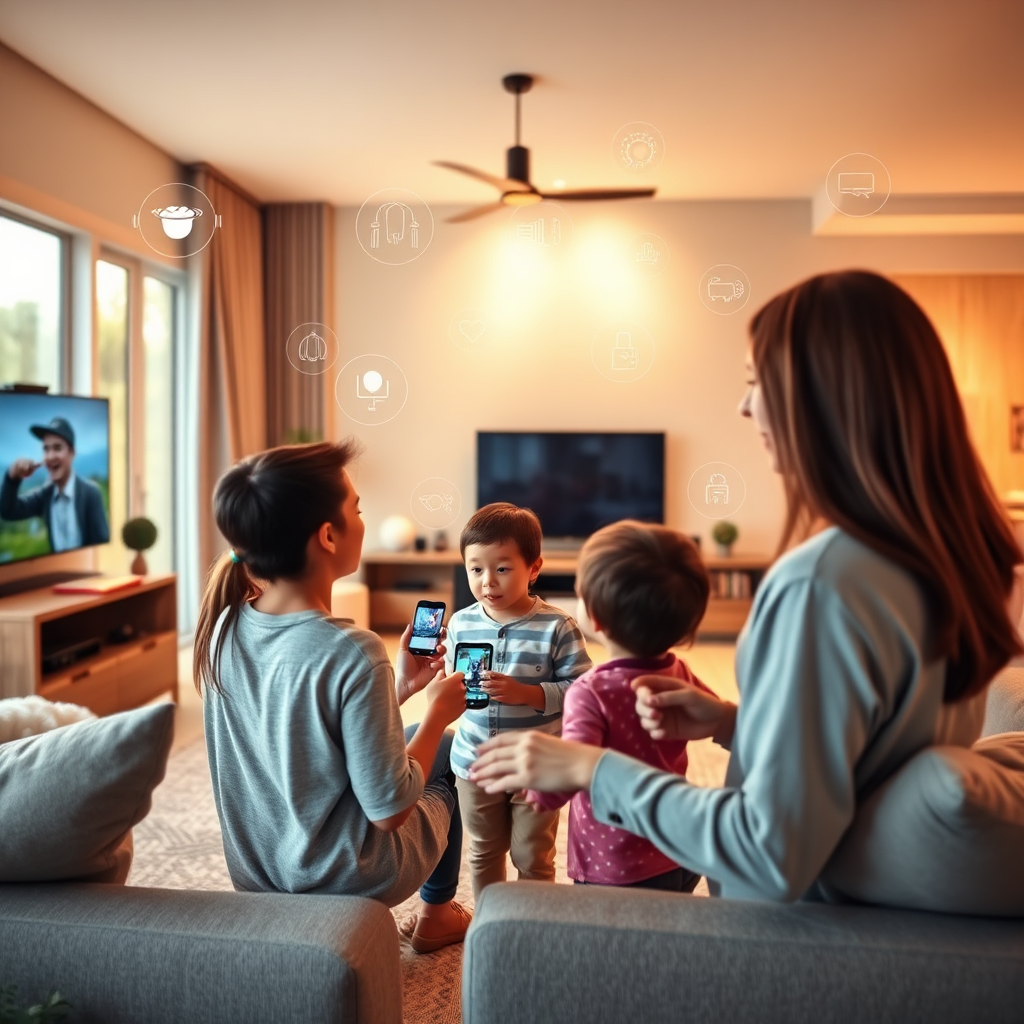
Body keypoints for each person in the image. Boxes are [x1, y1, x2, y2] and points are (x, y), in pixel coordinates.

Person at [471, 270, 1024, 904]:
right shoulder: (934, 560)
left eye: (757, 382)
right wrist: (741, 722)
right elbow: (869, 748)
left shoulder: (822, 584)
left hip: (781, 927)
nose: (744, 406)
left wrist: (590, 766)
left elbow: (770, 849)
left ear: (819, 399)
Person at [194, 441, 471, 953]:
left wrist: (401, 691)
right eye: (357, 510)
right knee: (450, 751)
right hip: (347, 876)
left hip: (262, 874)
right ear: (327, 535)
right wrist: (435, 715)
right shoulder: (351, 649)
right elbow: (389, 811)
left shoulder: (223, 627)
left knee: (415, 740)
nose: (363, 521)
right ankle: (437, 915)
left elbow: (302, 736)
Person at [526, 520, 716, 893]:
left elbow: (575, 766)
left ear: (594, 618)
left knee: (614, 949)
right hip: (678, 844)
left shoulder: (590, 691)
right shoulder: (678, 670)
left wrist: (537, 789)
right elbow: (711, 713)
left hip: (615, 864)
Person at [446, 502, 592, 902]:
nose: (487, 581)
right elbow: (452, 685)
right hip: (474, 762)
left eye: (502, 568)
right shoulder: (461, 623)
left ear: (534, 568)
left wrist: (527, 694)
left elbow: (582, 691)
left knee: (533, 856)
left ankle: (533, 928)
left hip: (536, 765)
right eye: (476, 569)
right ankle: (492, 925)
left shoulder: (558, 626)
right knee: (484, 850)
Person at [0, 416, 110, 551]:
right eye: (46, 449)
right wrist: (12, 477)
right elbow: (8, 511)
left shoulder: (91, 494)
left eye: (57, 448)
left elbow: (102, 544)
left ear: (72, 453)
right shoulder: (45, 495)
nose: (50, 456)